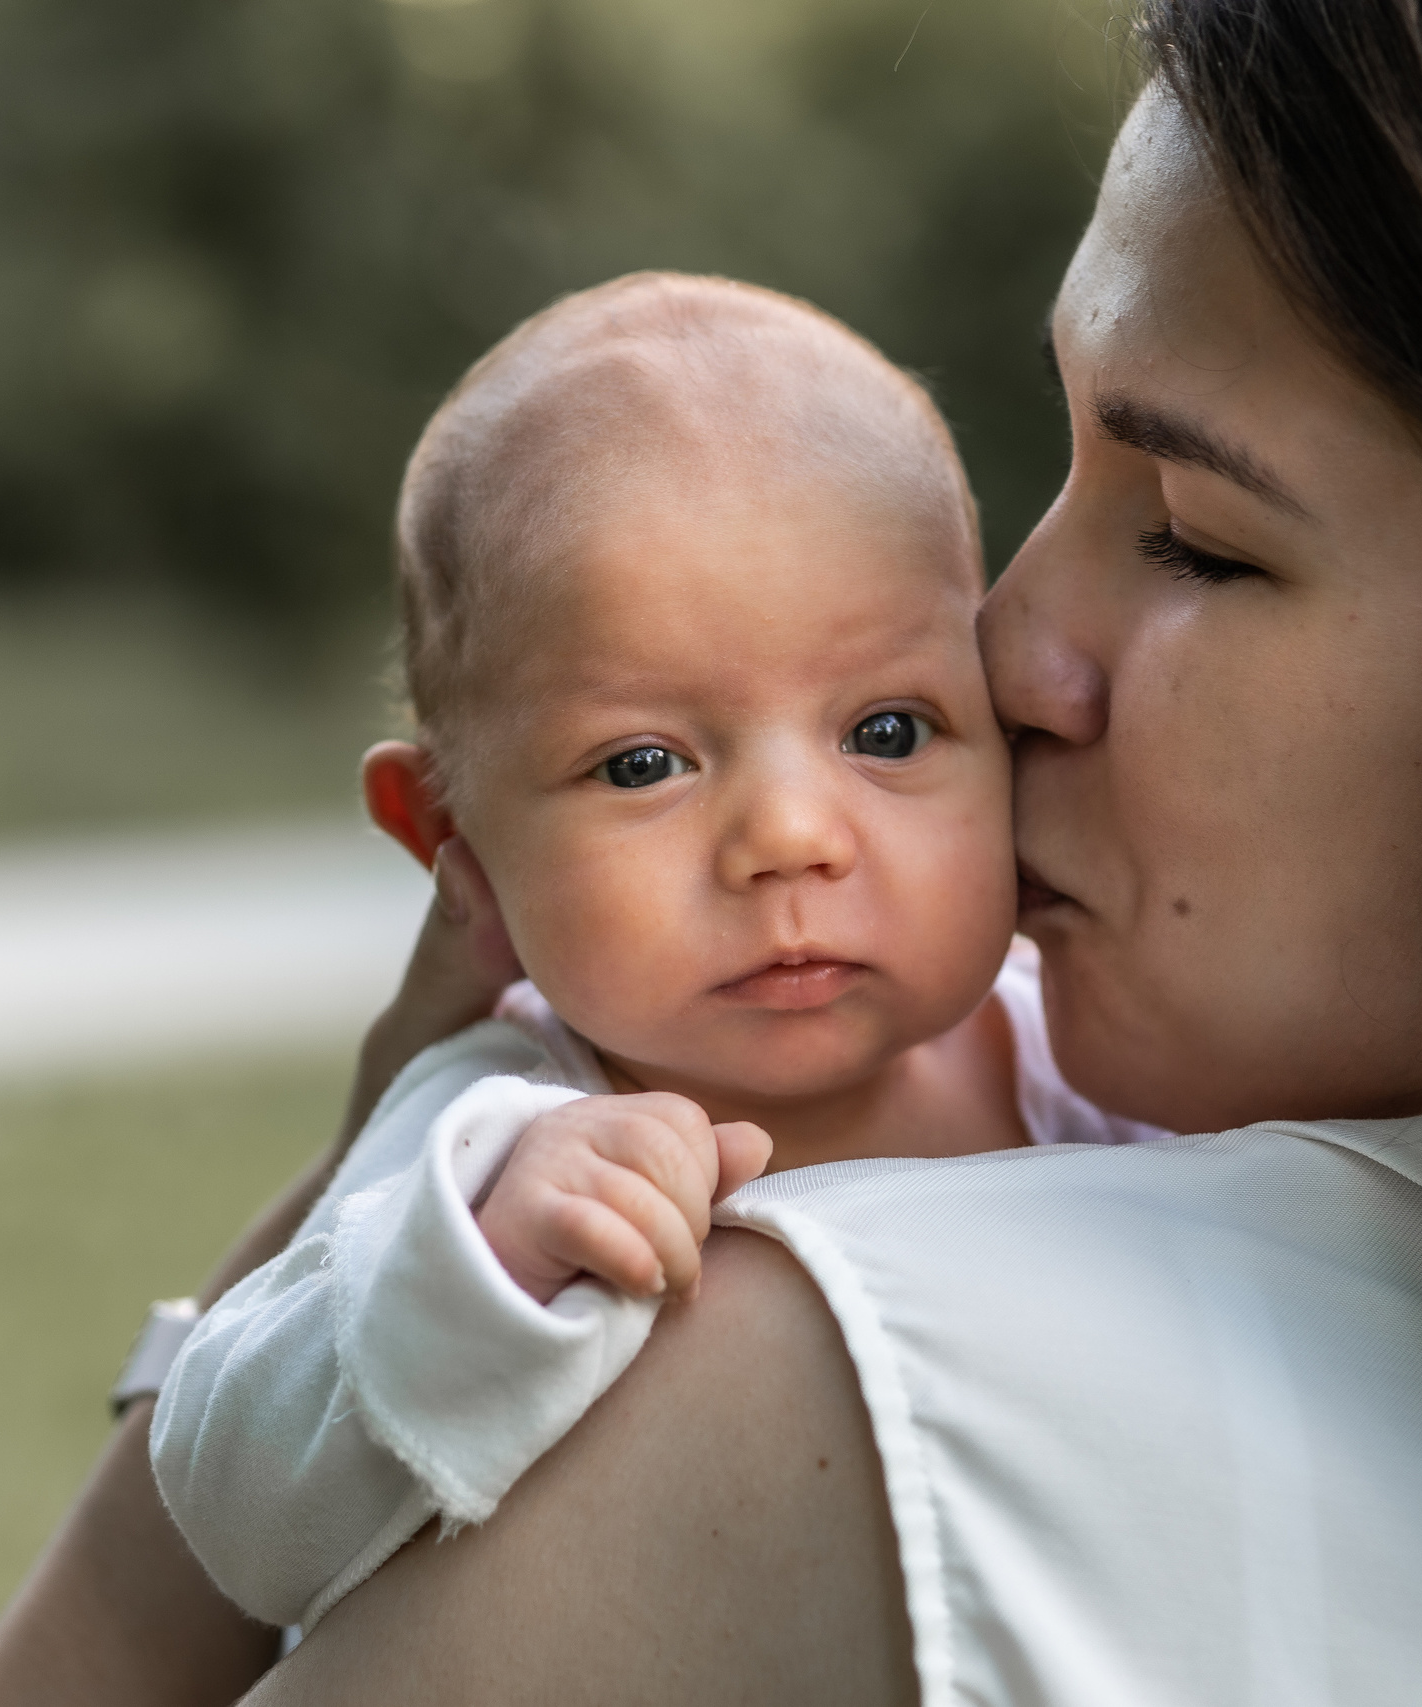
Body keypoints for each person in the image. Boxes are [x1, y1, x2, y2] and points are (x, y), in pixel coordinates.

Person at [0, 1, 1422, 1702]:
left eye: (1190, 536)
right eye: (1054, 474)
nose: (1006, 649)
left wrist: (266, 1366)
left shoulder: (821, 1379)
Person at [148, 272, 1159, 1635]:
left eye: (889, 732)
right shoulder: (502, 1136)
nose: (792, 838)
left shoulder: (1079, 1064)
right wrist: (474, 1273)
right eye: (643, 763)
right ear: (449, 829)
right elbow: (235, 1508)